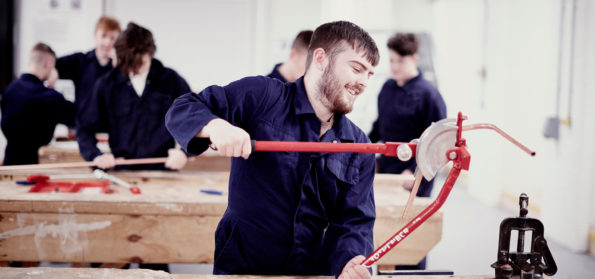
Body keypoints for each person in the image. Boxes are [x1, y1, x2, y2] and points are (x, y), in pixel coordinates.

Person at [166, 21, 379, 278]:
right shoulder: (262, 96)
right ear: (321, 58)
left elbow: (353, 222)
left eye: (369, 74)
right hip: (243, 268)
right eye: (357, 69)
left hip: (309, 272)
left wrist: (348, 261)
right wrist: (215, 125)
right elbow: (183, 108)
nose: (363, 82)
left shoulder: (358, 145)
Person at [368, 33, 446, 269]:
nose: (394, 67)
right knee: (383, 227)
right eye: (391, 60)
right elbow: (378, 126)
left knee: (411, 236)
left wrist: (413, 174)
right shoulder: (387, 88)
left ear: (415, 58)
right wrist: (366, 152)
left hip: (415, 175)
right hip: (387, 170)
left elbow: (438, 144)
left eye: (400, 61)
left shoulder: (429, 95)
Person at [76, 22, 191, 173]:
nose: (133, 69)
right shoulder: (107, 84)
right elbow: (84, 128)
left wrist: (184, 152)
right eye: (128, 64)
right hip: (121, 171)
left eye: (139, 63)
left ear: (149, 53)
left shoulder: (171, 80)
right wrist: (96, 156)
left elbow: (196, 120)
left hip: (163, 170)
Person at [1, 43, 75, 165]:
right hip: (35, 166)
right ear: (48, 64)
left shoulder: (9, 90)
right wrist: (52, 87)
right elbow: (77, 116)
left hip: (9, 162)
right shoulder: (48, 97)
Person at [54, 15, 120, 112]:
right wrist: (52, 70)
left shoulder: (122, 66)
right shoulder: (80, 60)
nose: (107, 42)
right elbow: (50, 63)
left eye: (112, 38)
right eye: (103, 36)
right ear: (95, 36)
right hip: (85, 124)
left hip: (112, 125)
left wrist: (119, 64)